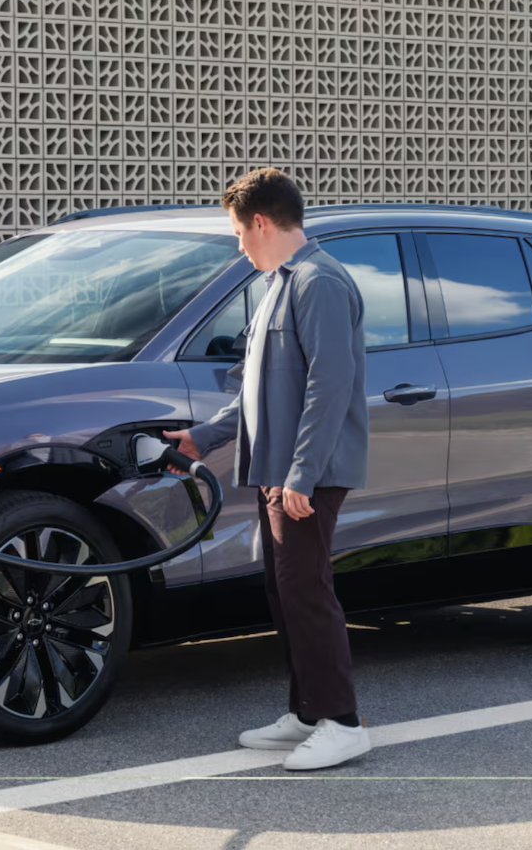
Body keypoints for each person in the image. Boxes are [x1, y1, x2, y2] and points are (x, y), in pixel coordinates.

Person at [166, 168, 372, 771]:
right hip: (277, 470)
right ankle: (308, 711)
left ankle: (343, 722)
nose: (238, 245)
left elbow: (329, 388)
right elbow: (256, 389)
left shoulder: (320, 284)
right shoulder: (277, 285)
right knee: (284, 590)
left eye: (238, 232)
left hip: (307, 473)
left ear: (261, 221)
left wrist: (304, 474)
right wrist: (205, 438)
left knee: (307, 591)